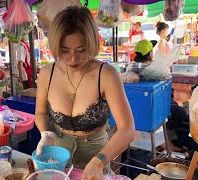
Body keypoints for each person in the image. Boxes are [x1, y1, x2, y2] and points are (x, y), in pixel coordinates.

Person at [35, 6, 135, 179]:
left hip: (97, 154)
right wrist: (46, 133)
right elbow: (41, 112)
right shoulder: (47, 73)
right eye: (65, 51)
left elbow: (127, 129)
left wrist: (99, 161)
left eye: (81, 50)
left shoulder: (106, 74)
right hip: (58, 155)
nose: (73, 58)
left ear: (91, 43)